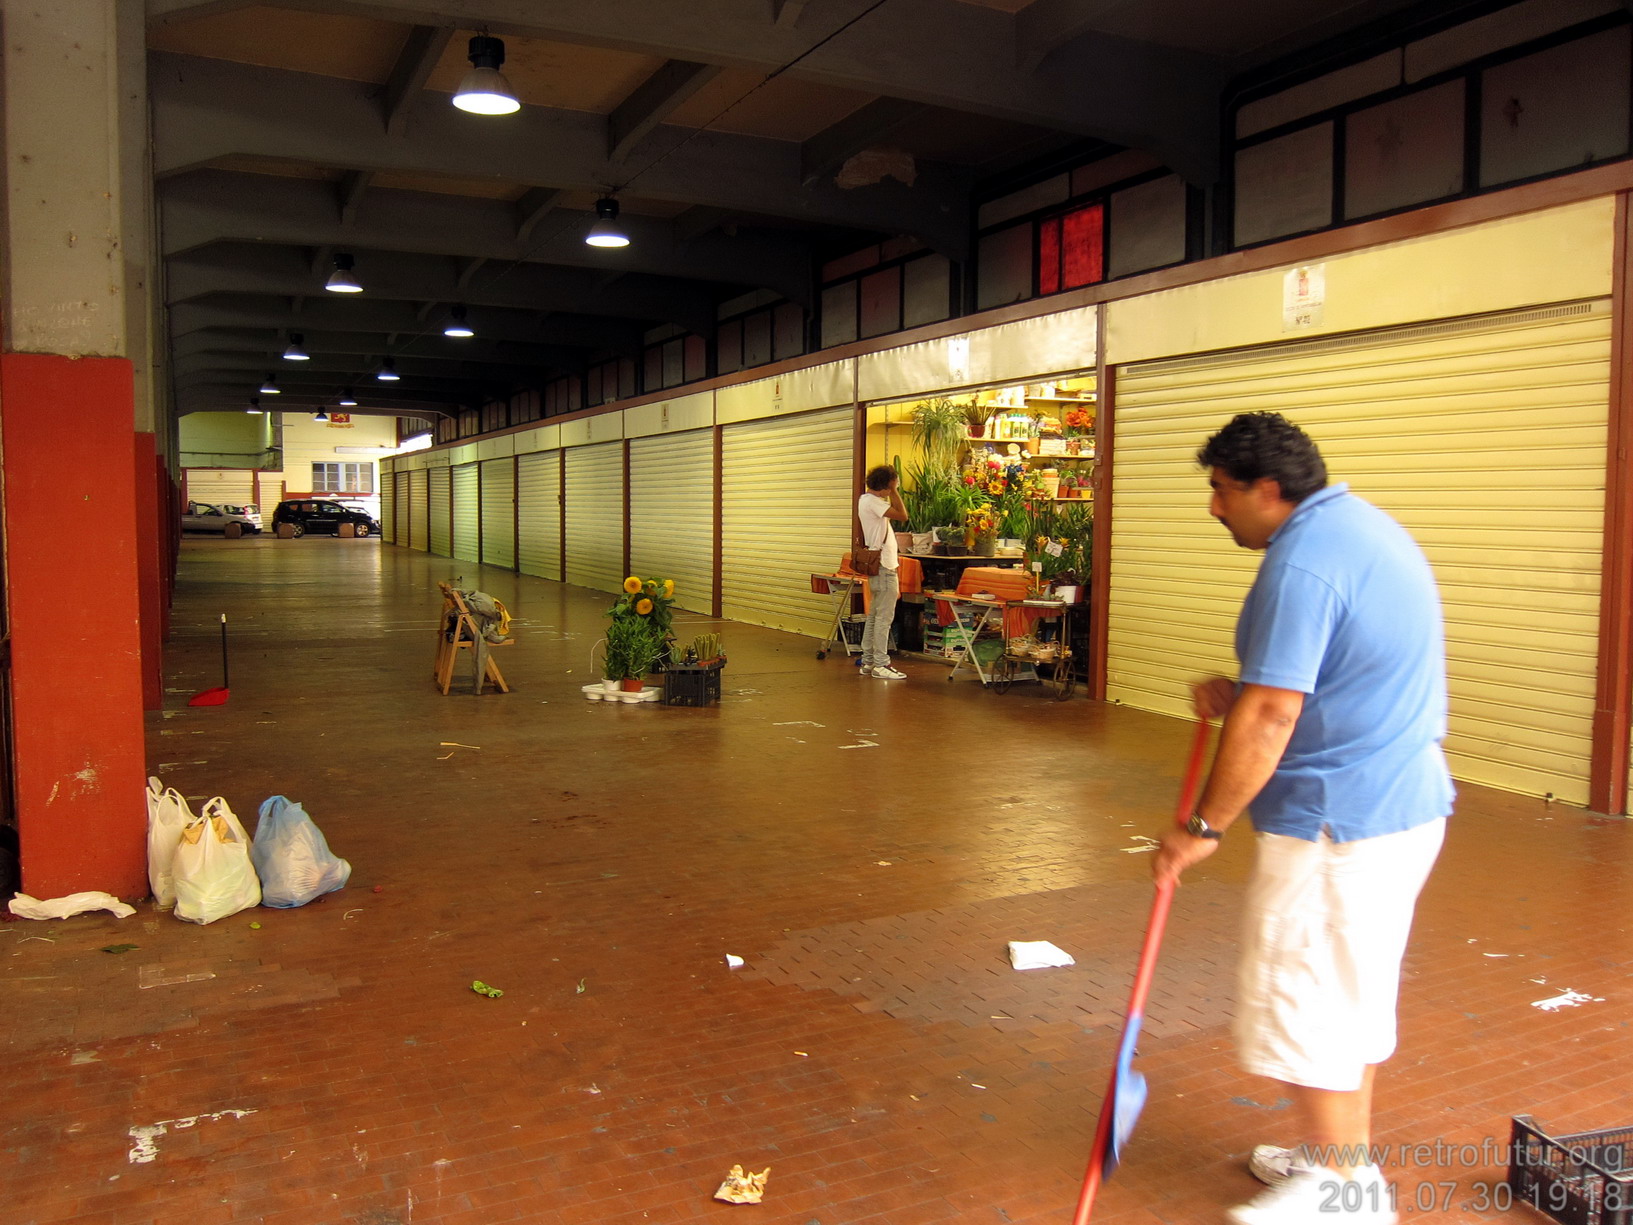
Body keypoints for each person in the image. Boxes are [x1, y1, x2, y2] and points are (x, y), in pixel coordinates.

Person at [1152, 412, 1453, 1225]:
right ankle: (1333, 1157)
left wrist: (1202, 826)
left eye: (1220, 491)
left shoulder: (1304, 563)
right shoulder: (1355, 527)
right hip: (1395, 807)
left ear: (1266, 489)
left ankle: (1344, 1194)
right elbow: (1307, 679)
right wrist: (1244, 687)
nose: (1213, 508)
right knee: (1345, 992)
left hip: (1338, 822)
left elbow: (1273, 717)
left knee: (1311, 994)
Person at [856, 464, 908, 679]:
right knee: (884, 617)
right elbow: (903, 515)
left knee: (875, 615)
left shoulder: (864, 500)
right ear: (885, 485)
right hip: (885, 566)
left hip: (878, 566)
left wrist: (891, 488)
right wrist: (894, 490)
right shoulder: (874, 503)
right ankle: (880, 664)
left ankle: (868, 661)